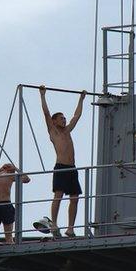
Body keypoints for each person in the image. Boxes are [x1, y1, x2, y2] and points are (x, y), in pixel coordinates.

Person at [39, 85, 86, 238]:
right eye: (61, 118)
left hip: (72, 168)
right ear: (54, 121)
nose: (64, 120)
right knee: (58, 196)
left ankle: (70, 228)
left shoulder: (67, 130)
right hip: (60, 167)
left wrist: (81, 99)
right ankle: (54, 223)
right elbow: (46, 113)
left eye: (64, 118)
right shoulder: (53, 131)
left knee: (75, 198)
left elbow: (76, 116)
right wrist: (42, 95)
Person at [0, 163, 30, 244]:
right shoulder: (10, 176)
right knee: (9, 237)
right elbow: (27, 179)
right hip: (5, 204)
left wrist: (2, 168)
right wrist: (16, 168)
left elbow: (26, 180)